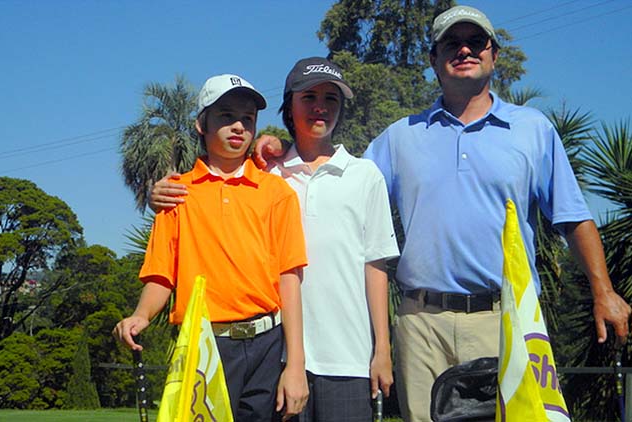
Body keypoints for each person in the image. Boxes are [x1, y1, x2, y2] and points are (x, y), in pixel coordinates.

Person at [252, 5, 631, 421]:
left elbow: (573, 216)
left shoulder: (533, 129)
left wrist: (604, 290)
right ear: (433, 59)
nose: (464, 49)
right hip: (420, 326)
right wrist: (278, 150)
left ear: (494, 54)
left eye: (476, 42)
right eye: (452, 43)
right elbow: (335, 179)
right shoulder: (400, 137)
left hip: (503, 321)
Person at [149, 57, 400, 422]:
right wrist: (163, 192)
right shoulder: (268, 171)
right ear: (288, 105)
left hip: (349, 356)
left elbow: (375, 267)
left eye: (332, 99)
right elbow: (218, 178)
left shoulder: (365, 175)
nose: (320, 107)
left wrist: (383, 350)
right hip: (278, 358)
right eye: (309, 96)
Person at [113, 74, 309, 421]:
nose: (238, 127)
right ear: (200, 124)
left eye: (247, 119)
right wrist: (141, 315)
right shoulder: (177, 194)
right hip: (206, 345)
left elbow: (289, 279)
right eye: (225, 116)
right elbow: (161, 274)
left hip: (268, 343)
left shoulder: (277, 193)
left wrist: (295, 365)